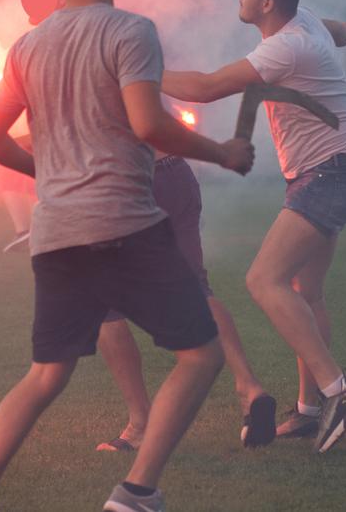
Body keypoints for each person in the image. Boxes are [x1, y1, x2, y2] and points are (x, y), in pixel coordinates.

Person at [0, 0, 254, 512]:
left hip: (57, 235)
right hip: (126, 228)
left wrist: (48, 173)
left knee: (44, 376)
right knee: (201, 355)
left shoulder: (26, 48)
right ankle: (136, 492)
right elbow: (147, 123)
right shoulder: (131, 31)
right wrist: (221, 152)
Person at [162, 0, 346, 454]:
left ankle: (339, 390)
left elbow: (207, 88)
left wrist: (138, 72)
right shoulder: (306, 24)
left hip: (331, 173)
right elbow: (342, 29)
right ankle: (308, 411)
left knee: (263, 280)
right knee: (308, 290)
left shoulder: (288, 47)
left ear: (268, 2)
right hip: (339, 167)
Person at [96, 150, 278, 453]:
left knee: (104, 305)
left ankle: (140, 423)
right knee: (195, 288)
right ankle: (249, 387)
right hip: (174, 172)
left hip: (122, 179)